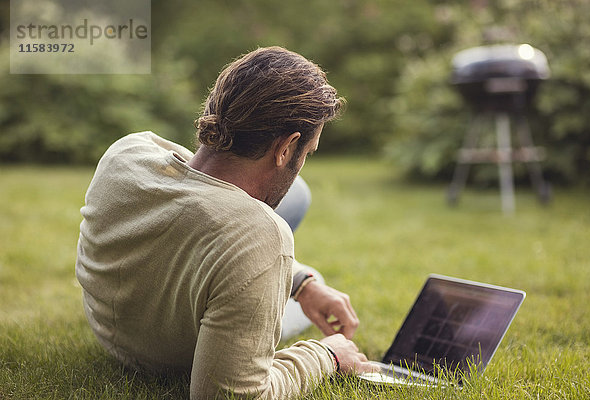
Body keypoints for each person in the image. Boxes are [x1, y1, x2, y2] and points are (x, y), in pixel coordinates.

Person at [75, 46, 375, 399]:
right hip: (167, 357)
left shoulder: (128, 152)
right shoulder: (260, 236)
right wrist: (327, 356)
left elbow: (191, 196)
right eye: (306, 153)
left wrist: (300, 283)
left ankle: (297, 281)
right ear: (286, 147)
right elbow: (230, 395)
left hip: (110, 328)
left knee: (298, 202)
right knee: (289, 245)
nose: (301, 164)